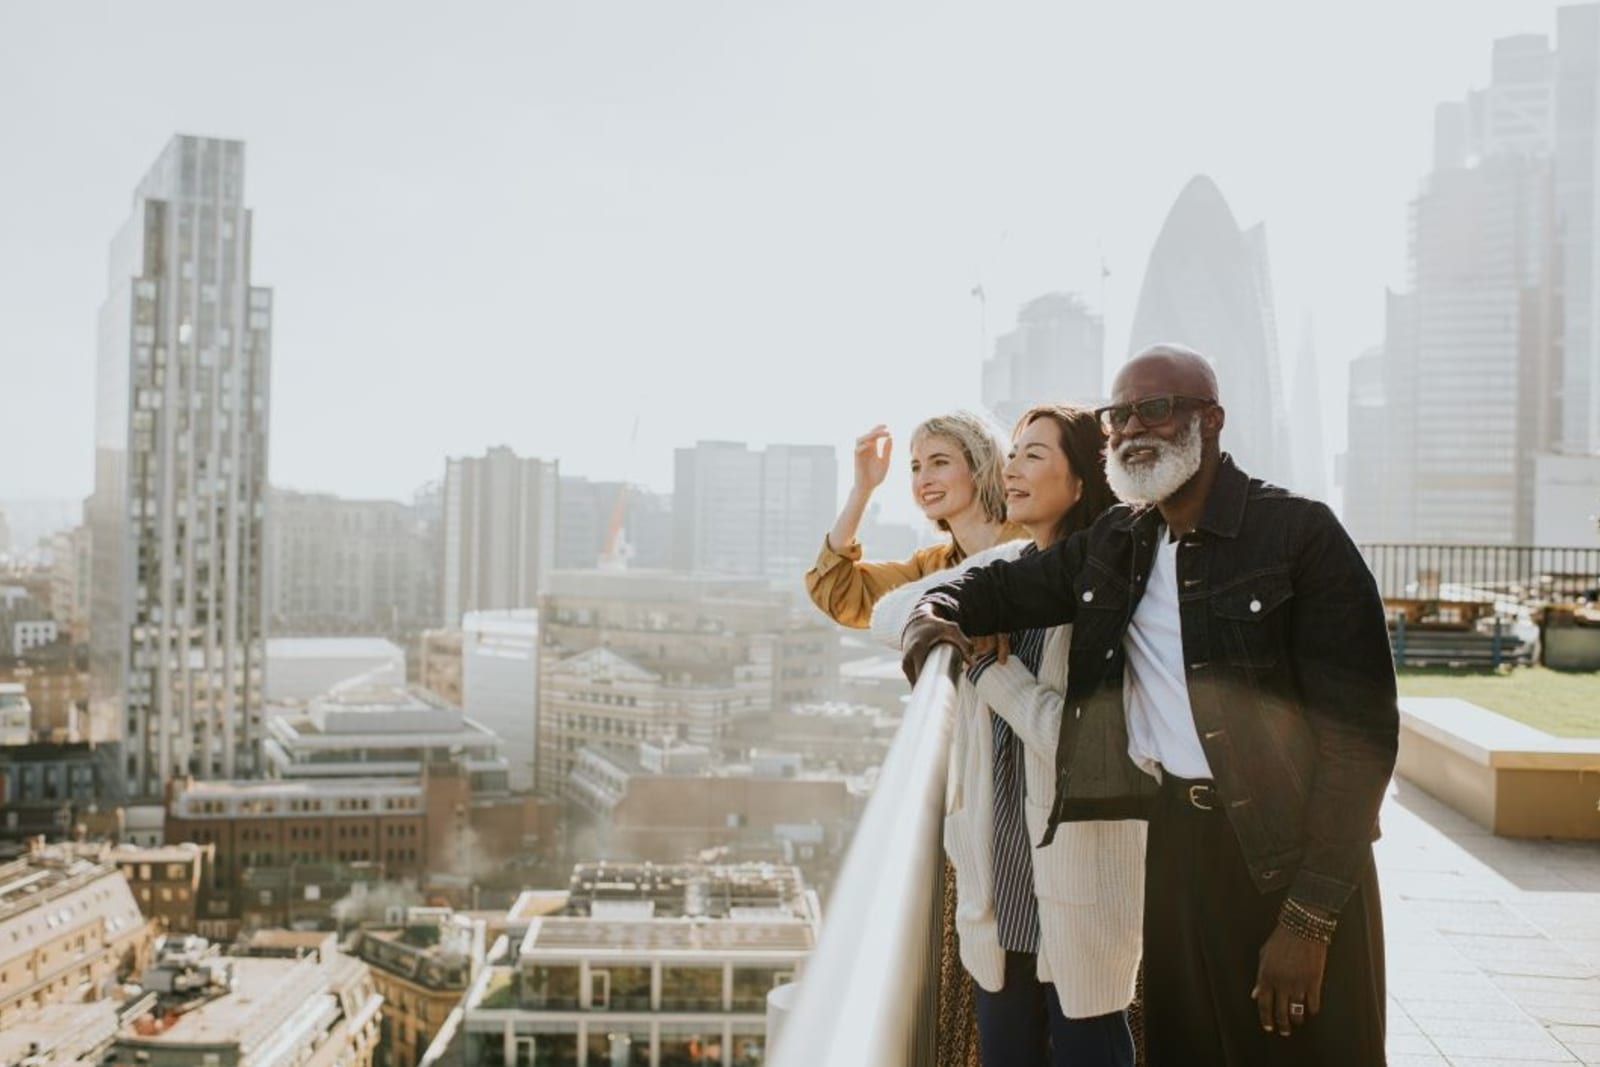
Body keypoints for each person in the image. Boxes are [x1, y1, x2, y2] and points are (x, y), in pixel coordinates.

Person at [901, 345, 1397, 1067]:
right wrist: (932, 616)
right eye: (1119, 415)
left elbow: (1362, 741)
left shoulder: (1299, 534)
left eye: (1156, 409)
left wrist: (1309, 919)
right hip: (1173, 844)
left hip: (1285, 853)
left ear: (1211, 419)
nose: (1133, 428)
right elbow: (998, 588)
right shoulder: (1119, 541)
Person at [872, 405, 1142, 1067]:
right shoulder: (1006, 565)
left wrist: (992, 671)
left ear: (1082, 481)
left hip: (1079, 898)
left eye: (1034, 455)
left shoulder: (1111, 594)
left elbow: (1085, 748)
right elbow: (888, 612)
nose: (1011, 469)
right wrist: (953, 613)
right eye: (1012, 453)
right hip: (999, 894)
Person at [806, 413, 1022, 628]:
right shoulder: (930, 568)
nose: (923, 479)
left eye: (940, 462)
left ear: (979, 467)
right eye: (916, 467)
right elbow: (838, 595)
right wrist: (862, 489)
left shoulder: (1033, 542)